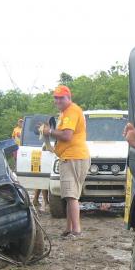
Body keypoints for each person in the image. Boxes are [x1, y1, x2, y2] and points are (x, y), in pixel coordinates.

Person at [40, 85, 90, 237]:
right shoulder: (65, 113)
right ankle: (69, 228)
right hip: (72, 156)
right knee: (69, 195)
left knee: (71, 196)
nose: (58, 100)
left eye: (61, 97)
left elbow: (67, 136)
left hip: (73, 157)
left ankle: (76, 231)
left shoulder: (71, 111)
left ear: (69, 97)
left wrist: (49, 132)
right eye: (56, 97)